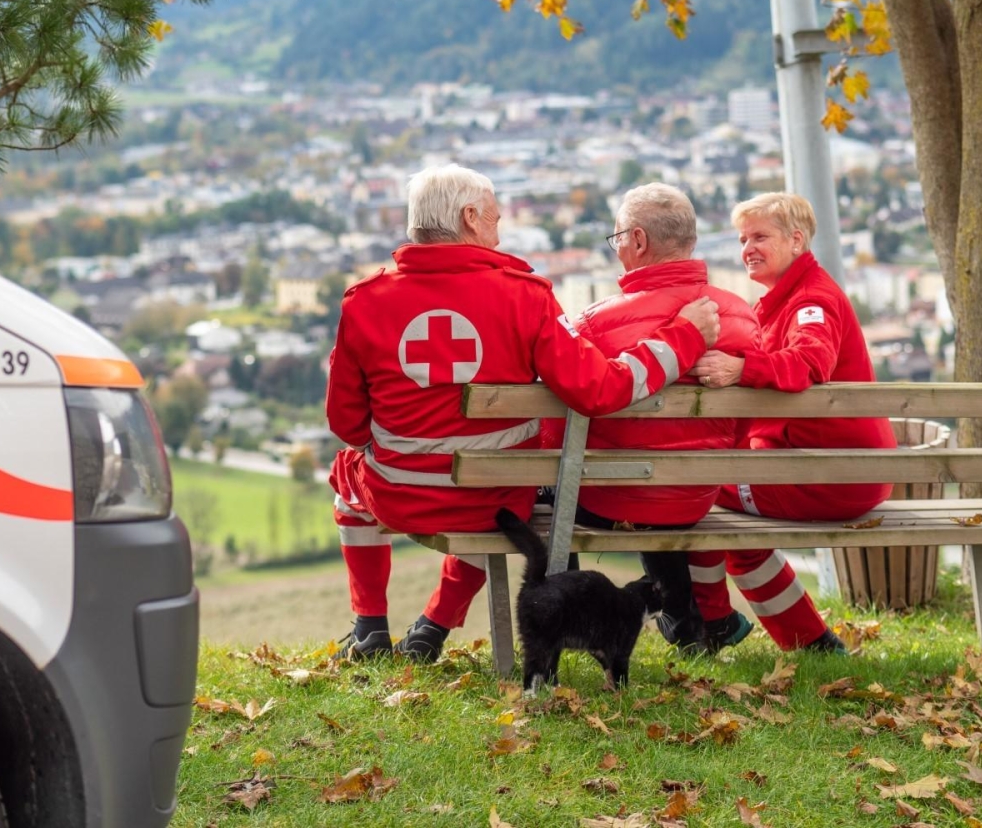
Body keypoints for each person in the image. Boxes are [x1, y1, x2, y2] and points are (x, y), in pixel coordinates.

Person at [325, 164, 721, 662]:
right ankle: (434, 623)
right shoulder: (525, 295)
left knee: (347, 478)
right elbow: (599, 389)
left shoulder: (365, 301)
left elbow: (346, 424)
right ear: (469, 218)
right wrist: (683, 334)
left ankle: (369, 629)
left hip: (399, 495)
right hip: (496, 498)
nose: (499, 228)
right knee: (485, 495)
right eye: (493, 217)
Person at [546, 183, 835, 654]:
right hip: (697, 497)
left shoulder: (594, 325)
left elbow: (558, 430)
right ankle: (690, 621)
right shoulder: (742, 316)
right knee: (651, 487)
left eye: (617, 236)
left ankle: (584, 627)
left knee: (554, 488)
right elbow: (744, 424)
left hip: (611, 500)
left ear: (637, 241)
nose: (616, 246)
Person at [690, 191, 897, 653]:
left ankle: (706, 623)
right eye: (743, 239)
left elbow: (808, 362)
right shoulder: (791, 297)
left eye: (760, 236)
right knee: (731, 524)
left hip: (829, 473)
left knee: (693, 489)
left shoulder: (812, 301)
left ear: (797, 240)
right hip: (831, 466)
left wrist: (741, 370)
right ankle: (808, 642)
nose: (748, 248)